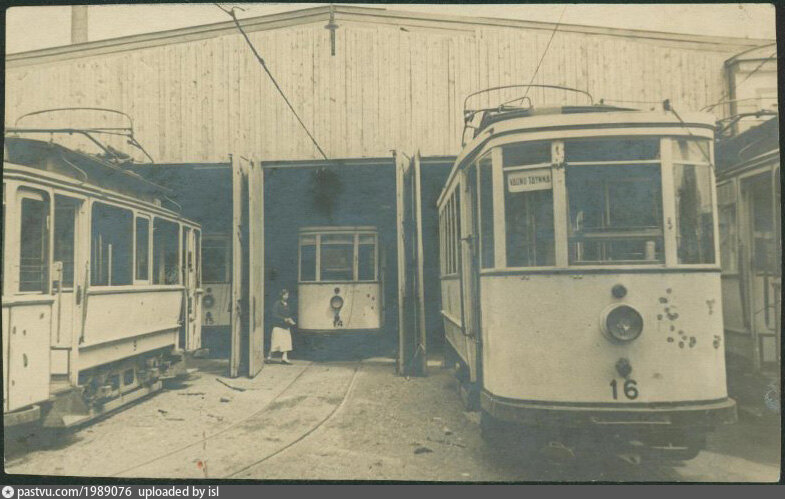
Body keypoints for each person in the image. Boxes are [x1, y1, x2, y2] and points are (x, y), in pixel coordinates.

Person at [267, 288, 295, 365]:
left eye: (287, 295)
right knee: (276, 343)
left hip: (285, 327)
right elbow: (274, 315)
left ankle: (284, 358)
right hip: (278, 326)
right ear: (281, 295)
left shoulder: (287, 304)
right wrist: (284, 319)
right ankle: (269, 357)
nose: (287, 296)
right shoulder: (277, 304)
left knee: (286, 343)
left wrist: (290, 320)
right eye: (285, 295)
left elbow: (288, 314)